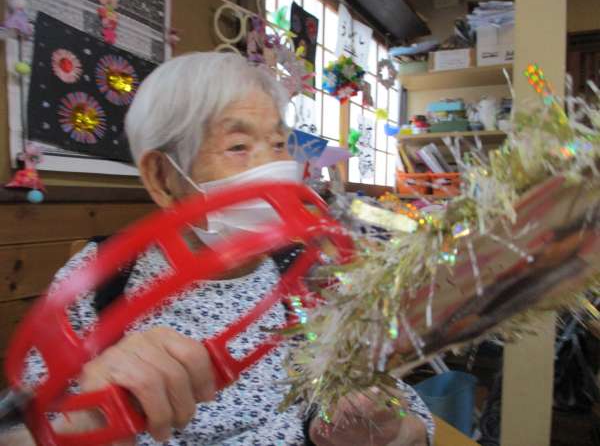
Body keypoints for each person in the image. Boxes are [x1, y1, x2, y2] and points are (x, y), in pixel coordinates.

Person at [1, 52, 433, 446]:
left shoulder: (308, 275)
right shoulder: (103, 281)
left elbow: (407, 419)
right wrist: (89, 423)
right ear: (162, 178)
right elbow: (21, 427)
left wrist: (385, 430)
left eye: (279, 145)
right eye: (238, 147)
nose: (273, 169)